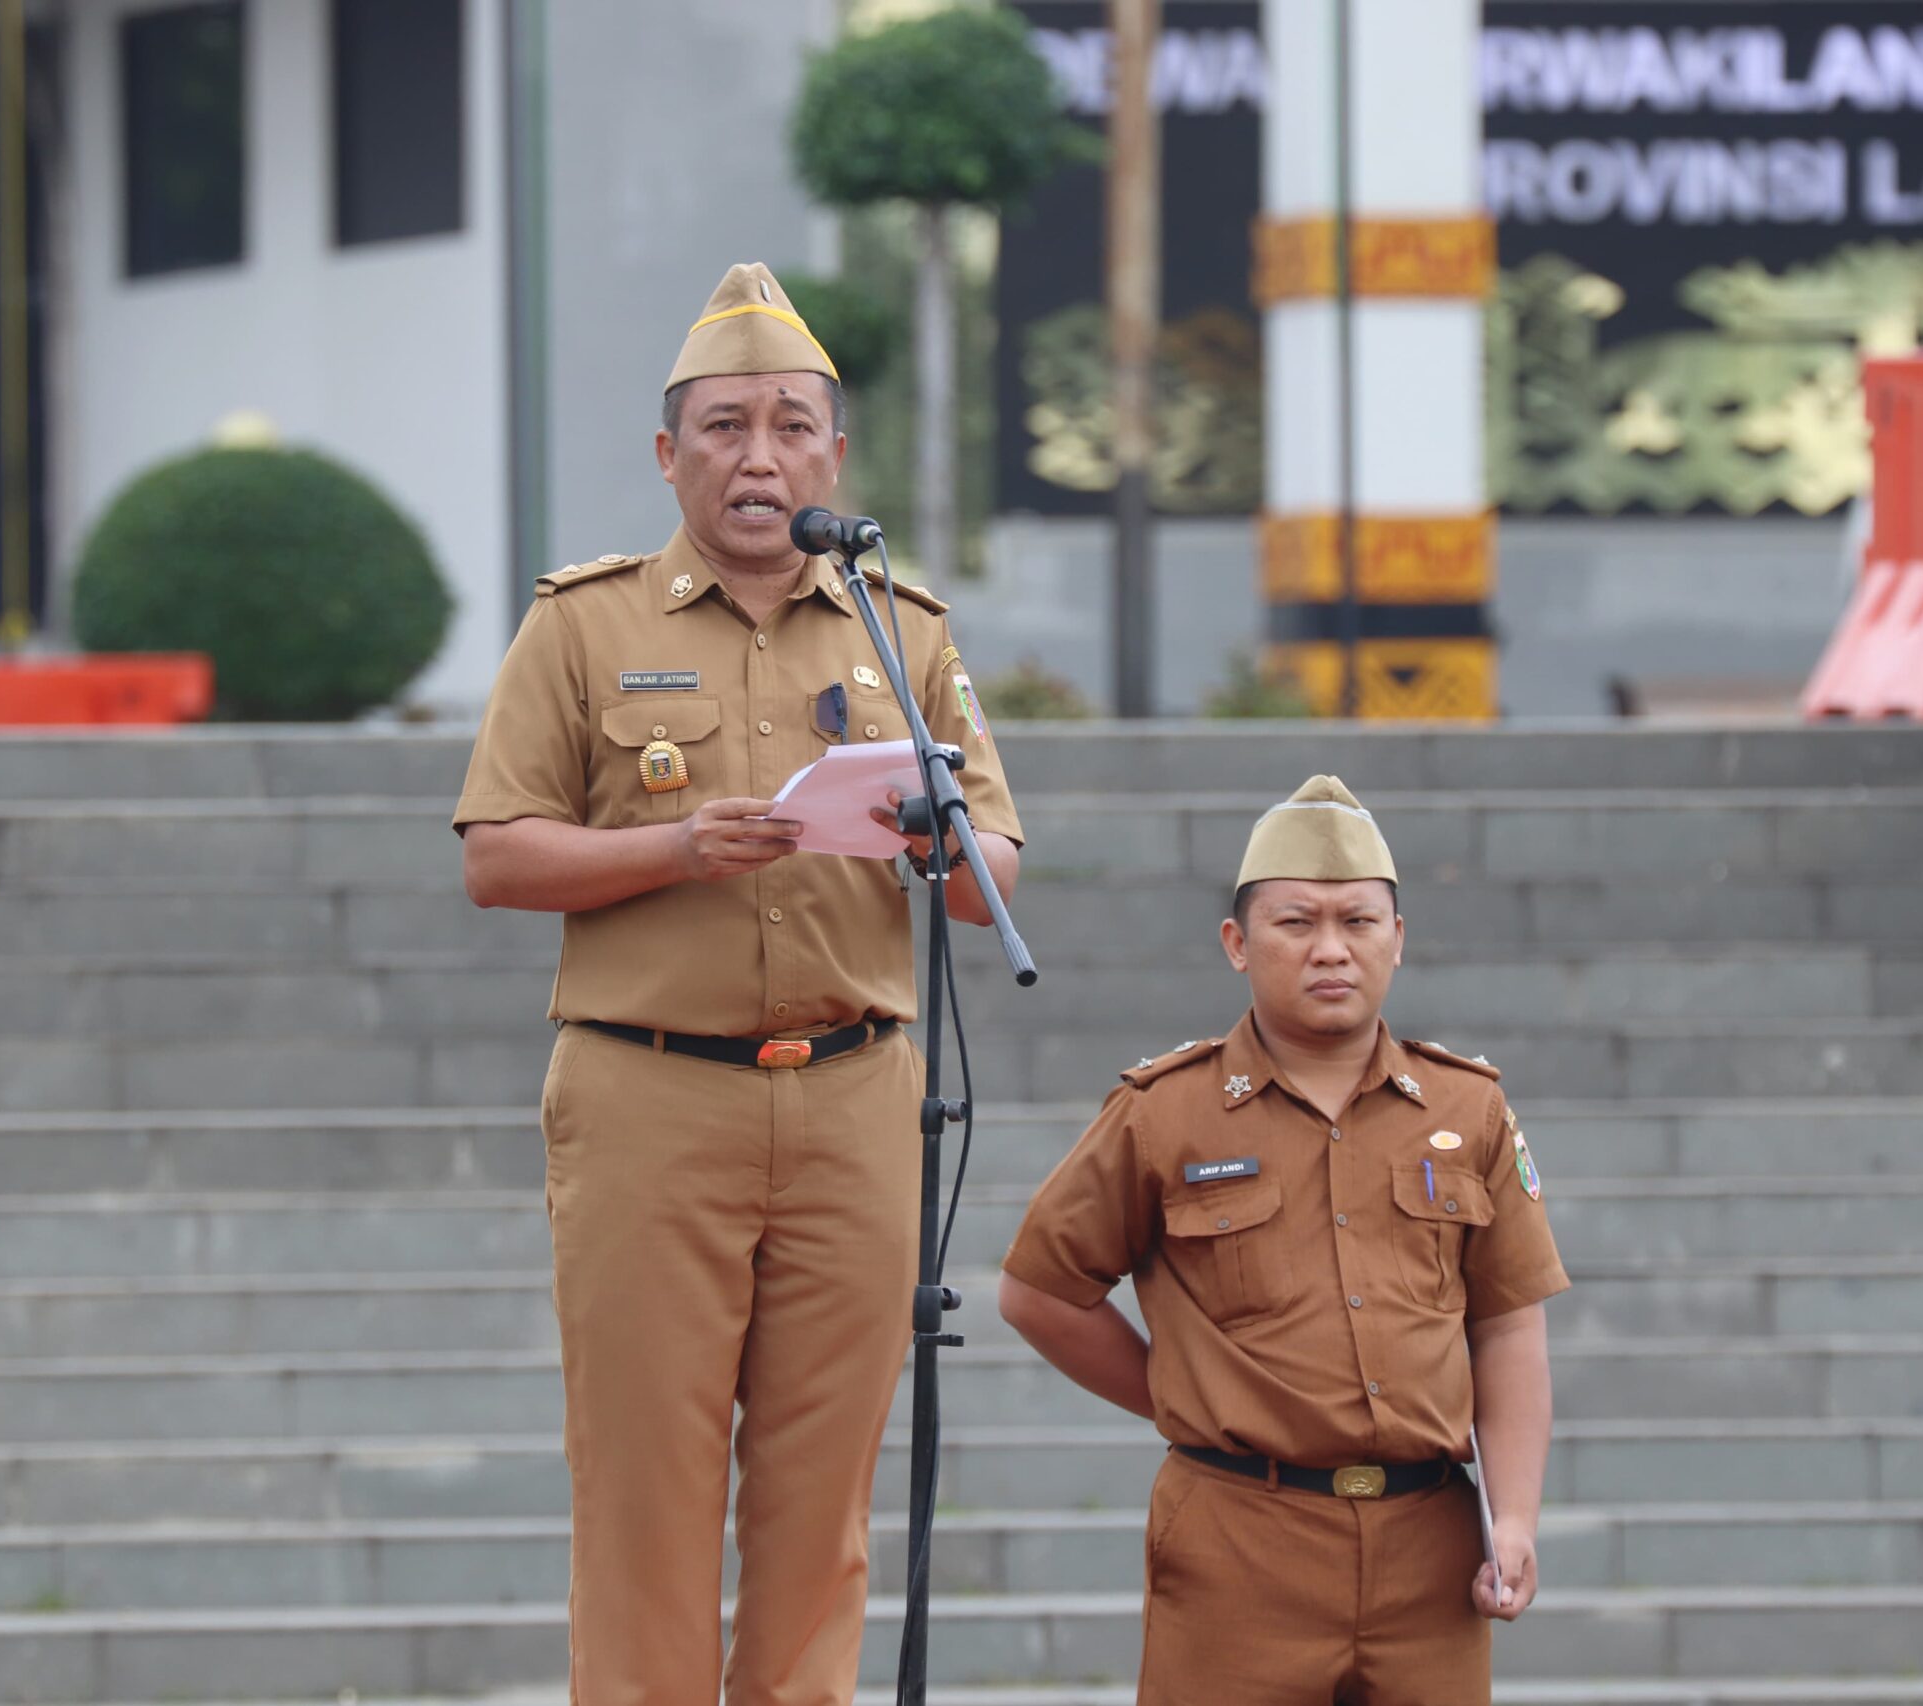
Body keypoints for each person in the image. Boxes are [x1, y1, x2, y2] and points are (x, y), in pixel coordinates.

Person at [452, 261, 1021, 1706]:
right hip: (653, 1092)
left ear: (835, 453)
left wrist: (932, 838)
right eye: (722, 428)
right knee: (646, 1488)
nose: (758, 456)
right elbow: (499, 856)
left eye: (788, 426)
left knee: (822, 1498)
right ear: (668, 454)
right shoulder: (586, 624)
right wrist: (674, 849)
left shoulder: (908, 632)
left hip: (853, 1098)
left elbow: (995, 865)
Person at [996, 774, 1563, 1706]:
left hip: (1431, 1543)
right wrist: (1184, 1396)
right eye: (1296, 923)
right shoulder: (1163, 1114)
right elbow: (1040, 1292)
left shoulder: (1470, 1108)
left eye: (1359, 922)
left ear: (1398, 940)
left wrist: (1516, 1517)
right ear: (1237, 944)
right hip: (1237, 1536)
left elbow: (1507, 1324)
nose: (1330, 950)